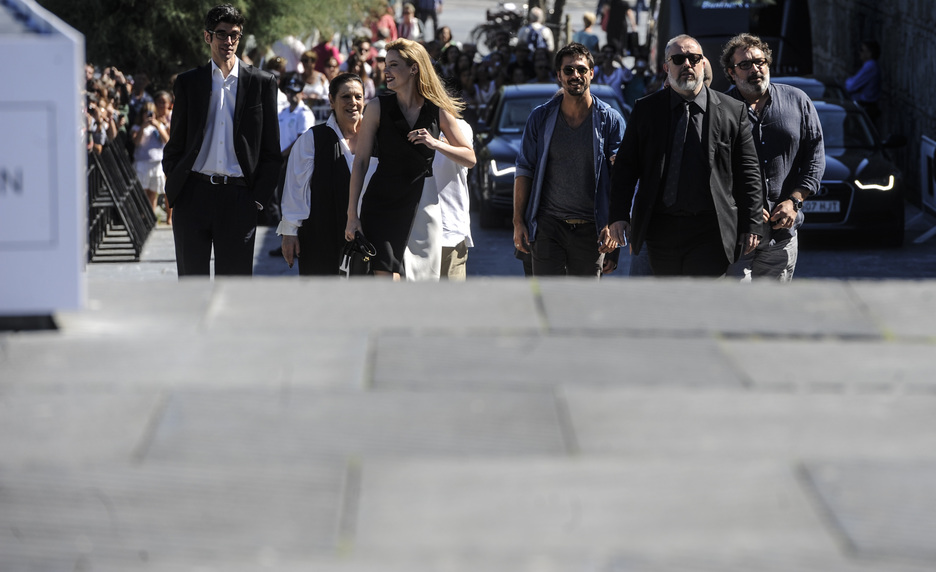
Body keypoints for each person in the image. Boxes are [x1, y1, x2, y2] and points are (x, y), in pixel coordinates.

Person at [604, 35, 763, 277]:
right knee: (670, 304)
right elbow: (626, 168)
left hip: (712, 230)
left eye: (694, 58)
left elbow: (748, 171)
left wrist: (752, 223)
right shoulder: (646, 110)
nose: (687, 64)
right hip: (660, 229)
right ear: (667, 67)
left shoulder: (732, 111)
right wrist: (618, 215)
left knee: (703, 304)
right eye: (679, 59)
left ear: (703, 64)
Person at [162, 4, 282, 277]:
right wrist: (177, 185)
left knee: (234, 288)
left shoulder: (261, 83)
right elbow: (176, 143)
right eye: (221, 34)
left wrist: (257, 201)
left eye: (235, 35)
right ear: (208, 37)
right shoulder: (188, 83)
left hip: (239, 197)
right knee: (192, 286)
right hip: (193, 195)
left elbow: (271, 151)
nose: (228, 41)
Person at [344, 38, 476, 280]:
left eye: (393, 65)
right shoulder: (376, 107)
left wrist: (436, 143)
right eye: (386, 64)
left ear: (413, 68)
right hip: (381, 203)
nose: (386, 70)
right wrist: (352, 216)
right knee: (386, 281)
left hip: (423, 203)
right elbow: (360, 162)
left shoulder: (437, 109)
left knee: (421, 284)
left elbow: (470, 158)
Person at [513, 42, 626, 277]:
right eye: (568, 70)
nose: (576, 75)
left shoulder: (610, 121)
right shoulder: (540, 117)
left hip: (591, 230)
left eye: (582, 69)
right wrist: (518, 222)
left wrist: (614, 226)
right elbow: (524, 169)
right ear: (559, 75)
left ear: (592, 73)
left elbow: (621, 176)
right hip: (548, 226)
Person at [721, 33, 824, 282]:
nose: (755, 69)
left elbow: (815, 156)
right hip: (736, 235)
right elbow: (711, 169)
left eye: (760, 62)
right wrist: (744, 207)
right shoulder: (720, 108)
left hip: (782, 235)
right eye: (745, 64)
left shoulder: (797, 101)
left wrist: (794, 202)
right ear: (731, 73)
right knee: (734, 312)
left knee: (772, 313)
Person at [278, 73, 372, 275]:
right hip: (321, 235)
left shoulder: (378, 137)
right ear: (331, 101)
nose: (353, 103)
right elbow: (296, 189)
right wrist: (289, 232)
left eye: (358, 96)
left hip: (369, 236)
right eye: (346, 96)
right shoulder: (313, 139)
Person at [404, 118, 474, 281]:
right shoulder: (406, 125)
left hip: (449, 235)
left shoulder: (458, 127)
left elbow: (470, 159)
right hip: (413, 235)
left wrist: (435, 142)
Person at [131, 100, 171, 221]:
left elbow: (167, 141)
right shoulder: (137, 127)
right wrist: (144, 126)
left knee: (153, 194)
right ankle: (142, 218)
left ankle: (151, 218)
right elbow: (136, 142)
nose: (149, 115)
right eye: (146, 113)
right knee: (142, 193)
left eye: (151, 113)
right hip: (142, 164)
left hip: (156, 164)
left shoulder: (159, 126)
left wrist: (158, 126)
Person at [845, 39, 881, 125]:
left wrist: (847, 82)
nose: (859, 53)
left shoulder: (870, 66)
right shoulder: (869, 66)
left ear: (869, 53)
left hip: (867, 106)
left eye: (862, 50)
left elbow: (851, 86)